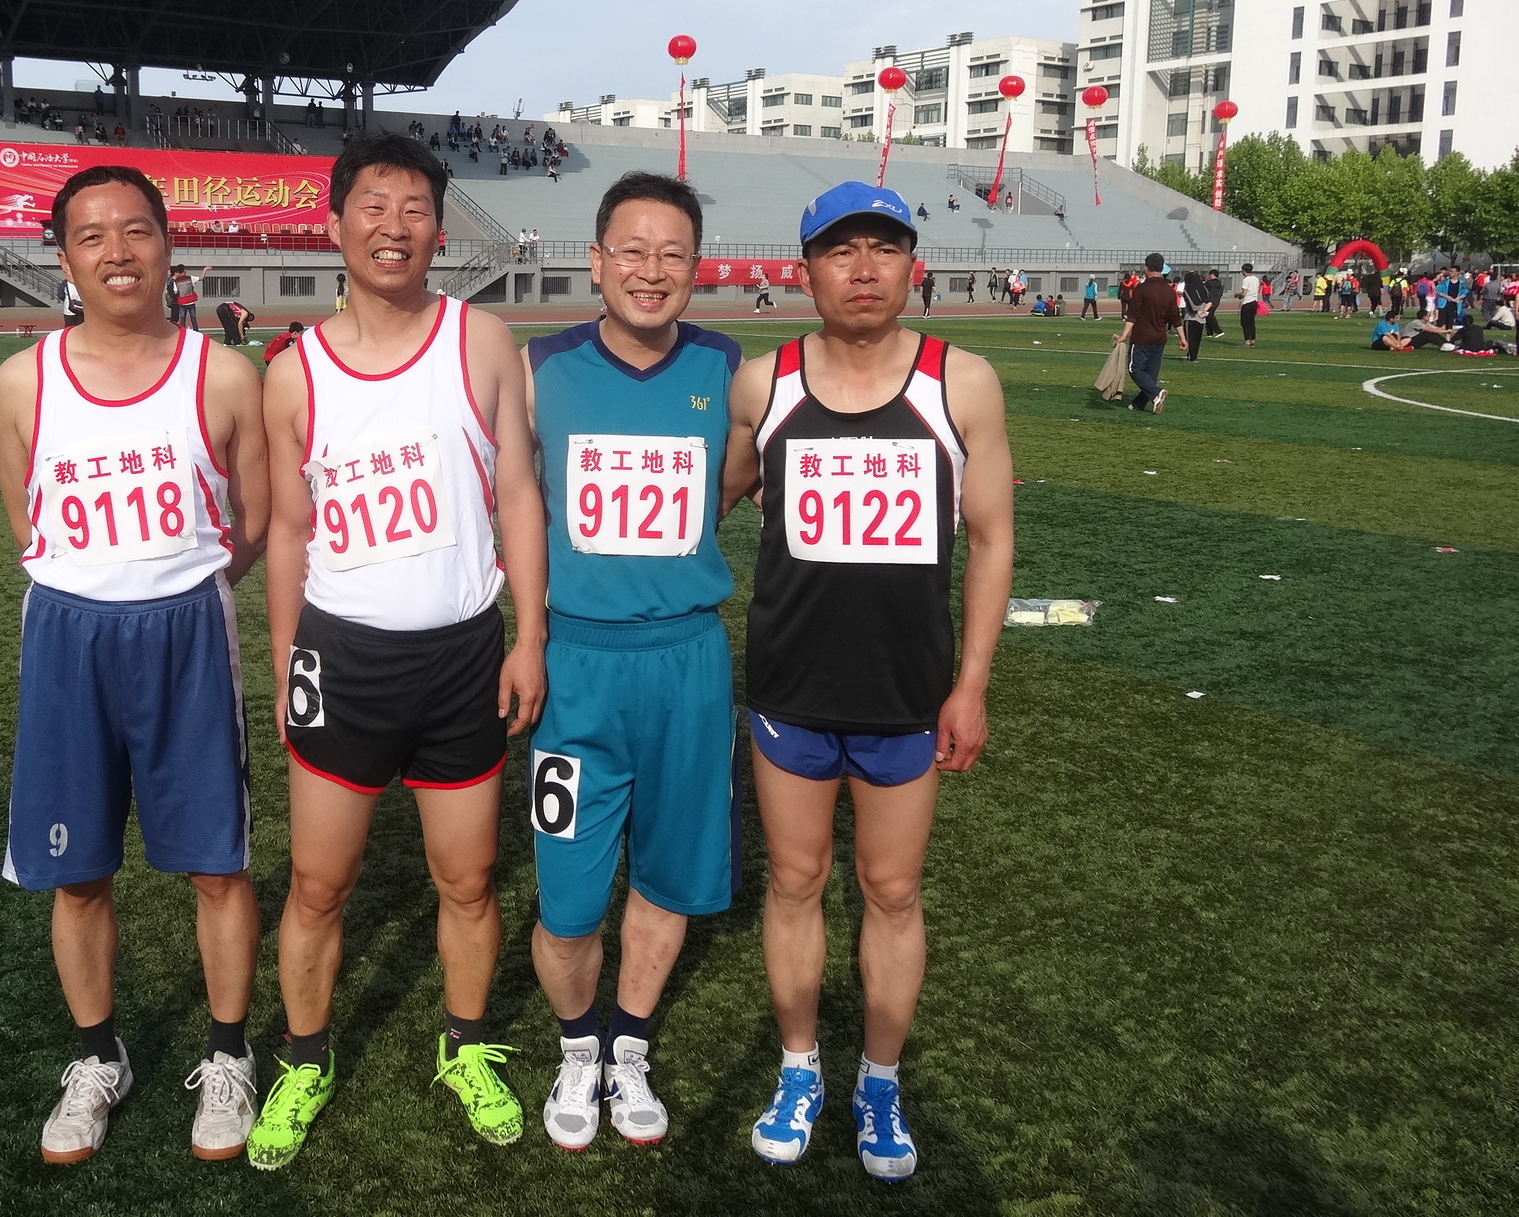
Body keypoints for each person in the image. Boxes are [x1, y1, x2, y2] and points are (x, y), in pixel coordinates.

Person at [249, 131, 547, 1169]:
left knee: (468, 879)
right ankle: (304, 1059)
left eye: (415, 208)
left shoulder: (482, 342)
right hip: (343, 661)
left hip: (463, 657)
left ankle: (465, 1048)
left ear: (438, 227)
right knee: (317, 884)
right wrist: (286, 661)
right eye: (373, 206)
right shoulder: (294, 375)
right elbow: (289, 533)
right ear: (335, 223)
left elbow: (518, 497)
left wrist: (530, 636)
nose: (394, 227)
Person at [723, 180, 1013, 1177]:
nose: (862, 269)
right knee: (795, 881)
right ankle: (799, 1066)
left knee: (890, 890)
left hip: (905, 695)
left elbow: (991, 537)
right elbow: (707, 502)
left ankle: (878, 1082)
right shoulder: (762, 385)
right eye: (839, 251)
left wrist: (970, 684)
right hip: (789, 689)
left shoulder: (960, 382)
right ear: (804, 268)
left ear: (910, 266)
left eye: (883, 249)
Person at [0, 165, 270, 1166]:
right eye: (93, 235)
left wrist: (172, 583)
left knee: (217, 865)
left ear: (166, 244)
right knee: (78, 874)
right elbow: (27, 523)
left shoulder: (222, 377)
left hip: (187, 635)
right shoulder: (21, 382)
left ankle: (228, 1055)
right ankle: (97, 1057)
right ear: (63, 259)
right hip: (69, 638)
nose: (118, 251)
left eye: (137, 230)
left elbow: (252, 523)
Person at [526, 172, 741, 1154]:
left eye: (671, 255)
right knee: (569, 899)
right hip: (577, 666)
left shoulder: (726, 369)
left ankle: (628, 1046)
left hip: (687, 662)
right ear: (596, 259)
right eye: (632, 251)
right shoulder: (540, 368)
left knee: (666, 875)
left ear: (695, 267)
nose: (650, 271)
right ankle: (577, 1046)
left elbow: (729, 487)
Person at [1117, 253, 1180, 413]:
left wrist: (1124, 334)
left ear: (1146, 268)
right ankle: (1139, 404)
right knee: (1151, 375)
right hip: (1159, 338)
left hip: (1142, 337)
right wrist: (1183, 337)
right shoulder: (1169, 291)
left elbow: (1133, 315)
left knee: (1135, 369)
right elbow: (1175, 316)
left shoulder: (1142, 289)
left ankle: (1156, 393)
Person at [1237, 263, 1262, 346]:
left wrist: (1238, 295)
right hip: (1254, 302)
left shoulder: (1246, 280)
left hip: (1247, 302)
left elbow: (1244, 293)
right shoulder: (1255, 278)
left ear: (1244, 270)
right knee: (1251, 322)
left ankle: (1247, 339)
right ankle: (1252, 339)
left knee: (1245, 322)